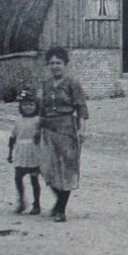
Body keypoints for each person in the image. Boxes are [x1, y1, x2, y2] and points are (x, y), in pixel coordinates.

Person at [36, 46, 88, 222]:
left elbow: (81, 107)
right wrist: (37, 128)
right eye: (52, 63)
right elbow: (40, 110)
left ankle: (61, 209)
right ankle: (59, 200)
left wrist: (82, 130)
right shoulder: (46, 84)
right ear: (48, 66)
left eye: (59, 63)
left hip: (67, 129)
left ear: (65, 65)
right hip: (48, 129)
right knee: (46, 169)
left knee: (66, 170)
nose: (55, 66)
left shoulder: (72, 83)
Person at [6, 90, 42, 215]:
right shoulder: (18, 121)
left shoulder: (39, 120)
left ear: (36, 106)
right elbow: (13, 137)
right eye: (25, 105)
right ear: (20, 106)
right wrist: (10, 153)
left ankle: (36, 204)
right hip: (21, 151)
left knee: (34, 179)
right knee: (18, 177)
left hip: (34, 152)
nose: (28, 107)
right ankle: (21, 201)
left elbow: (43, 136)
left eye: (31, 104)